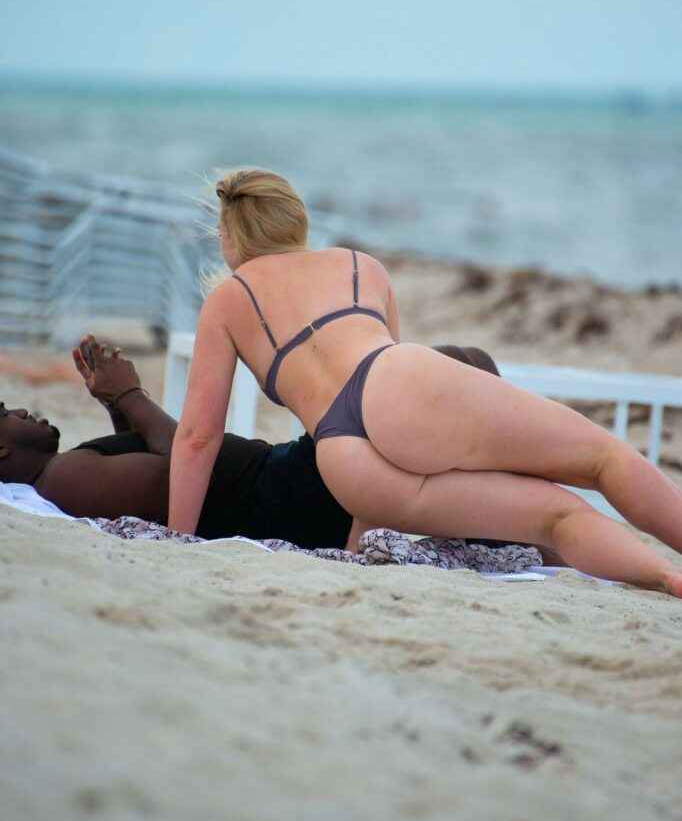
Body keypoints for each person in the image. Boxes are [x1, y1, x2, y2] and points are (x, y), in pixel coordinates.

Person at [168, 168, 682, 597]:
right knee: (602, 462)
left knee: (552, 518)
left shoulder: (228, 300)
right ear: (294, 220)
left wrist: (176, 543)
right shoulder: (356, 265)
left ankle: (666, 578)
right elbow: (393, 395)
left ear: (230, 236)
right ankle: (668, 574)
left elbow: (196, 437)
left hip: (342, 459)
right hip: (389, 388)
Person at [3, 335, 535, 554]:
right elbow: (180, 468)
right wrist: (131, 395)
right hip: (297, 494)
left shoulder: (69, 472)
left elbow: (145, 463)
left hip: (292, 477)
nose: (21, 410)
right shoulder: (62, 478)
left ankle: (506, 509)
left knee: (462, 368)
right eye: (6, 415)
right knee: (456, 368)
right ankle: (517, 506)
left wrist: (114, 402)